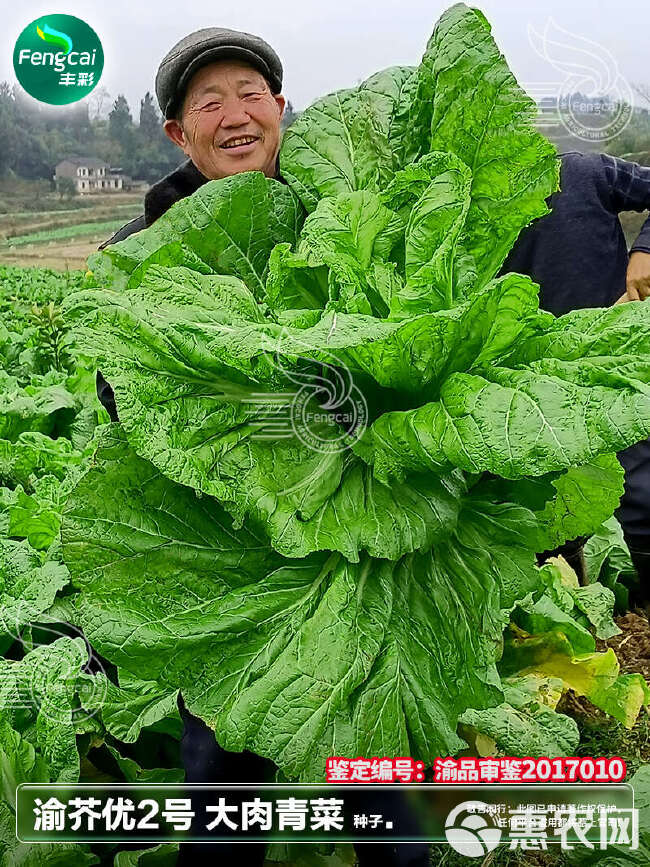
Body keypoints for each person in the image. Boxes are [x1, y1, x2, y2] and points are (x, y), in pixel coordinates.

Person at [97, 27, 431, 867]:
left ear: (281, 109)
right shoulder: (138, 257)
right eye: (208, 103)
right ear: (178, 133)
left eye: (251, 94)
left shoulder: (347, 218)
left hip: (357, 547)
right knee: (224, 790)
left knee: (378, 789)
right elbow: (132, 404)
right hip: (233, 565)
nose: (235, 115)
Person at [500, 150, 650, 593]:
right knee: (546, 516)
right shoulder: (453, 208)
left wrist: (645, 251)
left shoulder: (581, 172)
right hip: (525, 399)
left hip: (613, 369)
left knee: (638, 491)